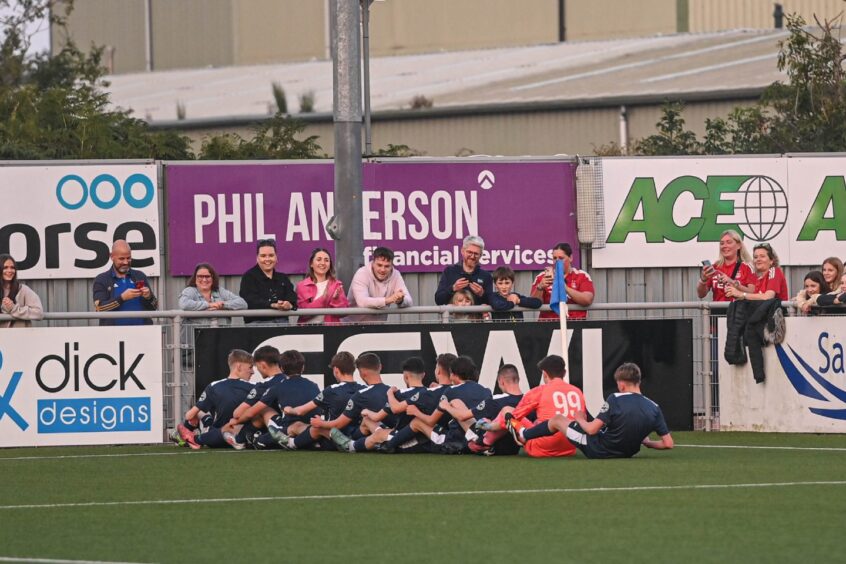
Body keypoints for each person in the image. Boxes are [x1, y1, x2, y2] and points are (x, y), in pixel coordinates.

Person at [512, 362, 673, 459]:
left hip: (599, 450)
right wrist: (648, 443)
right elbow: (668, 444)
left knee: (558, 419)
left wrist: (580, 418)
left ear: (622, 384)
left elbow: (591, 429)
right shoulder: (654, 407)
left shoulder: (615, 398)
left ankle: (524, 434)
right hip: (627, 453)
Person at [481, 355, 585, 458]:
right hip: (570, 447)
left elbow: (513, 417)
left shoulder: (539, 391)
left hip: (541, 448)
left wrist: (488, 426)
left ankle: (486, 439)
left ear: (544, 373)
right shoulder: (577, 391)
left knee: (507, 410)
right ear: (564, 373)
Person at [268, 351, 364, 450]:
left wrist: (289, 409)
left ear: (336, 370)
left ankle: (291, 443)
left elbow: (301, 411)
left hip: (332, 440)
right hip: (358, 437)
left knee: (312, 427)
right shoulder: (363, 389)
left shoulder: (331, 390)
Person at [170, 349, 255, 449]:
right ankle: (198, 431)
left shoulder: (214, 386)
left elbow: (189, 415)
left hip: (215, 437)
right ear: (239, 366)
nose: (252, 371)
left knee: (198, 412)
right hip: (240, 435)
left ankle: (185, 436)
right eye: (250, 367)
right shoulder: (254, 387)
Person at [93, 240, 158, 326]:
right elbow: (100, 308)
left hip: (143, 333)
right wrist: (122, 298)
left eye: (128, 258)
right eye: (121, 258)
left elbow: (154, 307)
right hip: (114, 335)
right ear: (112, 257)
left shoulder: (139, 276)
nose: (126, 262)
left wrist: (149, 296)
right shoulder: (102, 279)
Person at [346, 247, 412, 323]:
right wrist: (388, 300)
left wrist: (400, 300)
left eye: (387, 266)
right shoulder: (362, 273)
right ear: (373, 262)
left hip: (378, 326)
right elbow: (362, 302)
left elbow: (409, 300)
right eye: (379, 265)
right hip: (352, 325)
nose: (382, 270)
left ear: (392, 266)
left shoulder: (396, 274)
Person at [530, 242, 594, 320]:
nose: (557, 261)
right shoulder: (542, 277)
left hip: (576, 323)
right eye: (554, 258)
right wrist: (540, 288)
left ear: (570, 258)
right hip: (547, 324)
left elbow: (587, 300)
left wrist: (565, 288)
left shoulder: (581, 276)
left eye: (561, 258)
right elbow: (533, 303)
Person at [239, 238, 297, 324]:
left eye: (271, 255)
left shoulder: (283, 278)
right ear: (257, 258)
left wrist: (288, 304)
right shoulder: (248, 277)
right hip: (257, 326)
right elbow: (249, 301)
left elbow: (292, 297)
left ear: (276, 257)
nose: (267, 259)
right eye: (263, 256)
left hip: (283, 325)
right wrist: (272, 304)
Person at [435, 235, 498, 307]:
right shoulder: (449, 272)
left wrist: (482, 294)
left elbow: (492, 303)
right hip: (454, 317)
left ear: (481, 255)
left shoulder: (486, 276)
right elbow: (438, 300)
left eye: (476, 254)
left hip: (477, 318)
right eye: (469, 252)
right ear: (462, 251)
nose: (472, 256)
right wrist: (453, 288)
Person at [696, 229, 756, 302]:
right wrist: (703, 280)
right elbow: (701, 294)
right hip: (718, 311)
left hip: (739, 311)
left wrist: (731, 282)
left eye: (729, 242)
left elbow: (753, 293)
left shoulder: (747, 267)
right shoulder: (715, 267)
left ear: (739, 246)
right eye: (722, 243)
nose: (724, 246)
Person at [295, 248, 349, 324]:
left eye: (326, 260)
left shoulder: (336, 285)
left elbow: (344, 313)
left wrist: (336, 300)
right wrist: (325, 298)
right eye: (319, 259)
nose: (323, 263)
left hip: (331, 330)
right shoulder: (302, 286)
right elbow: (304, 313)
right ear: (311, 264)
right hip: (307, 330)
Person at [179, 262, 247, 319]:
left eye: (207, 276)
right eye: (200, 276)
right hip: (197, 334)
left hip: (220, 333)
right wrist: (209, 305)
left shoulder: (220, 291)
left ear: (213, 278)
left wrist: (223, 305)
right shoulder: (189, 291)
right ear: (195, 278)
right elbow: (184, 304)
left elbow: (243, 303)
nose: (204, 280)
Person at [1, 254, 44, 328]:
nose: (10, 271)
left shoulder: (23, 290)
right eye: (5, 268)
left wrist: (13, 309)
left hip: (20, 337)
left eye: (12, 268)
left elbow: (39, 313)